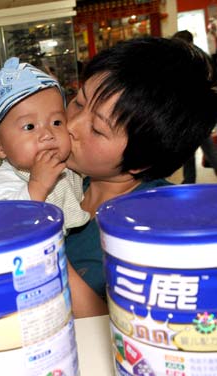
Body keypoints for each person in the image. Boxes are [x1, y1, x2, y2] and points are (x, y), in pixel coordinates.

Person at [64, 36, 217, 318]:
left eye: (97, 129)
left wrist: (43, 253)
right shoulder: (69, 185)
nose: (71, 126)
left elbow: (118, 331)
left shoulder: (157, 231)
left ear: (141, 159)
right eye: (77, 101)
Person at [0, 57, 89, 233]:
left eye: (57, 122)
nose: (47, 134)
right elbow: (1, 223)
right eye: (29, 127)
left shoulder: (69, 165)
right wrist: (36, 187)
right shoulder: (4, 182)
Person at [172, 30, 217, 183]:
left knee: (203, 146)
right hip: (194, 111)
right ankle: (189, 180)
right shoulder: (200, 57)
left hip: (194, 111)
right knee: (193, 148)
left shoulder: (190, 61)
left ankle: (189, 180)